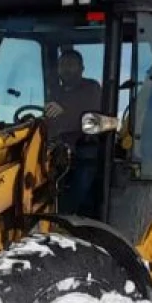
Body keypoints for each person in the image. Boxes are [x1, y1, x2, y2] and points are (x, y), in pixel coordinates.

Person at [44, 49, 103, 215]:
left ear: (82, 68)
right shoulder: (55, 92)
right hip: (55, 149)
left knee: (84, 172)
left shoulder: (91, 88)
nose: (66, 69)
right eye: (62, 65)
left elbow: (92, 114)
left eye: (70, 65)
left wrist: (65, 111)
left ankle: (67, 216)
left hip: (84, 148)